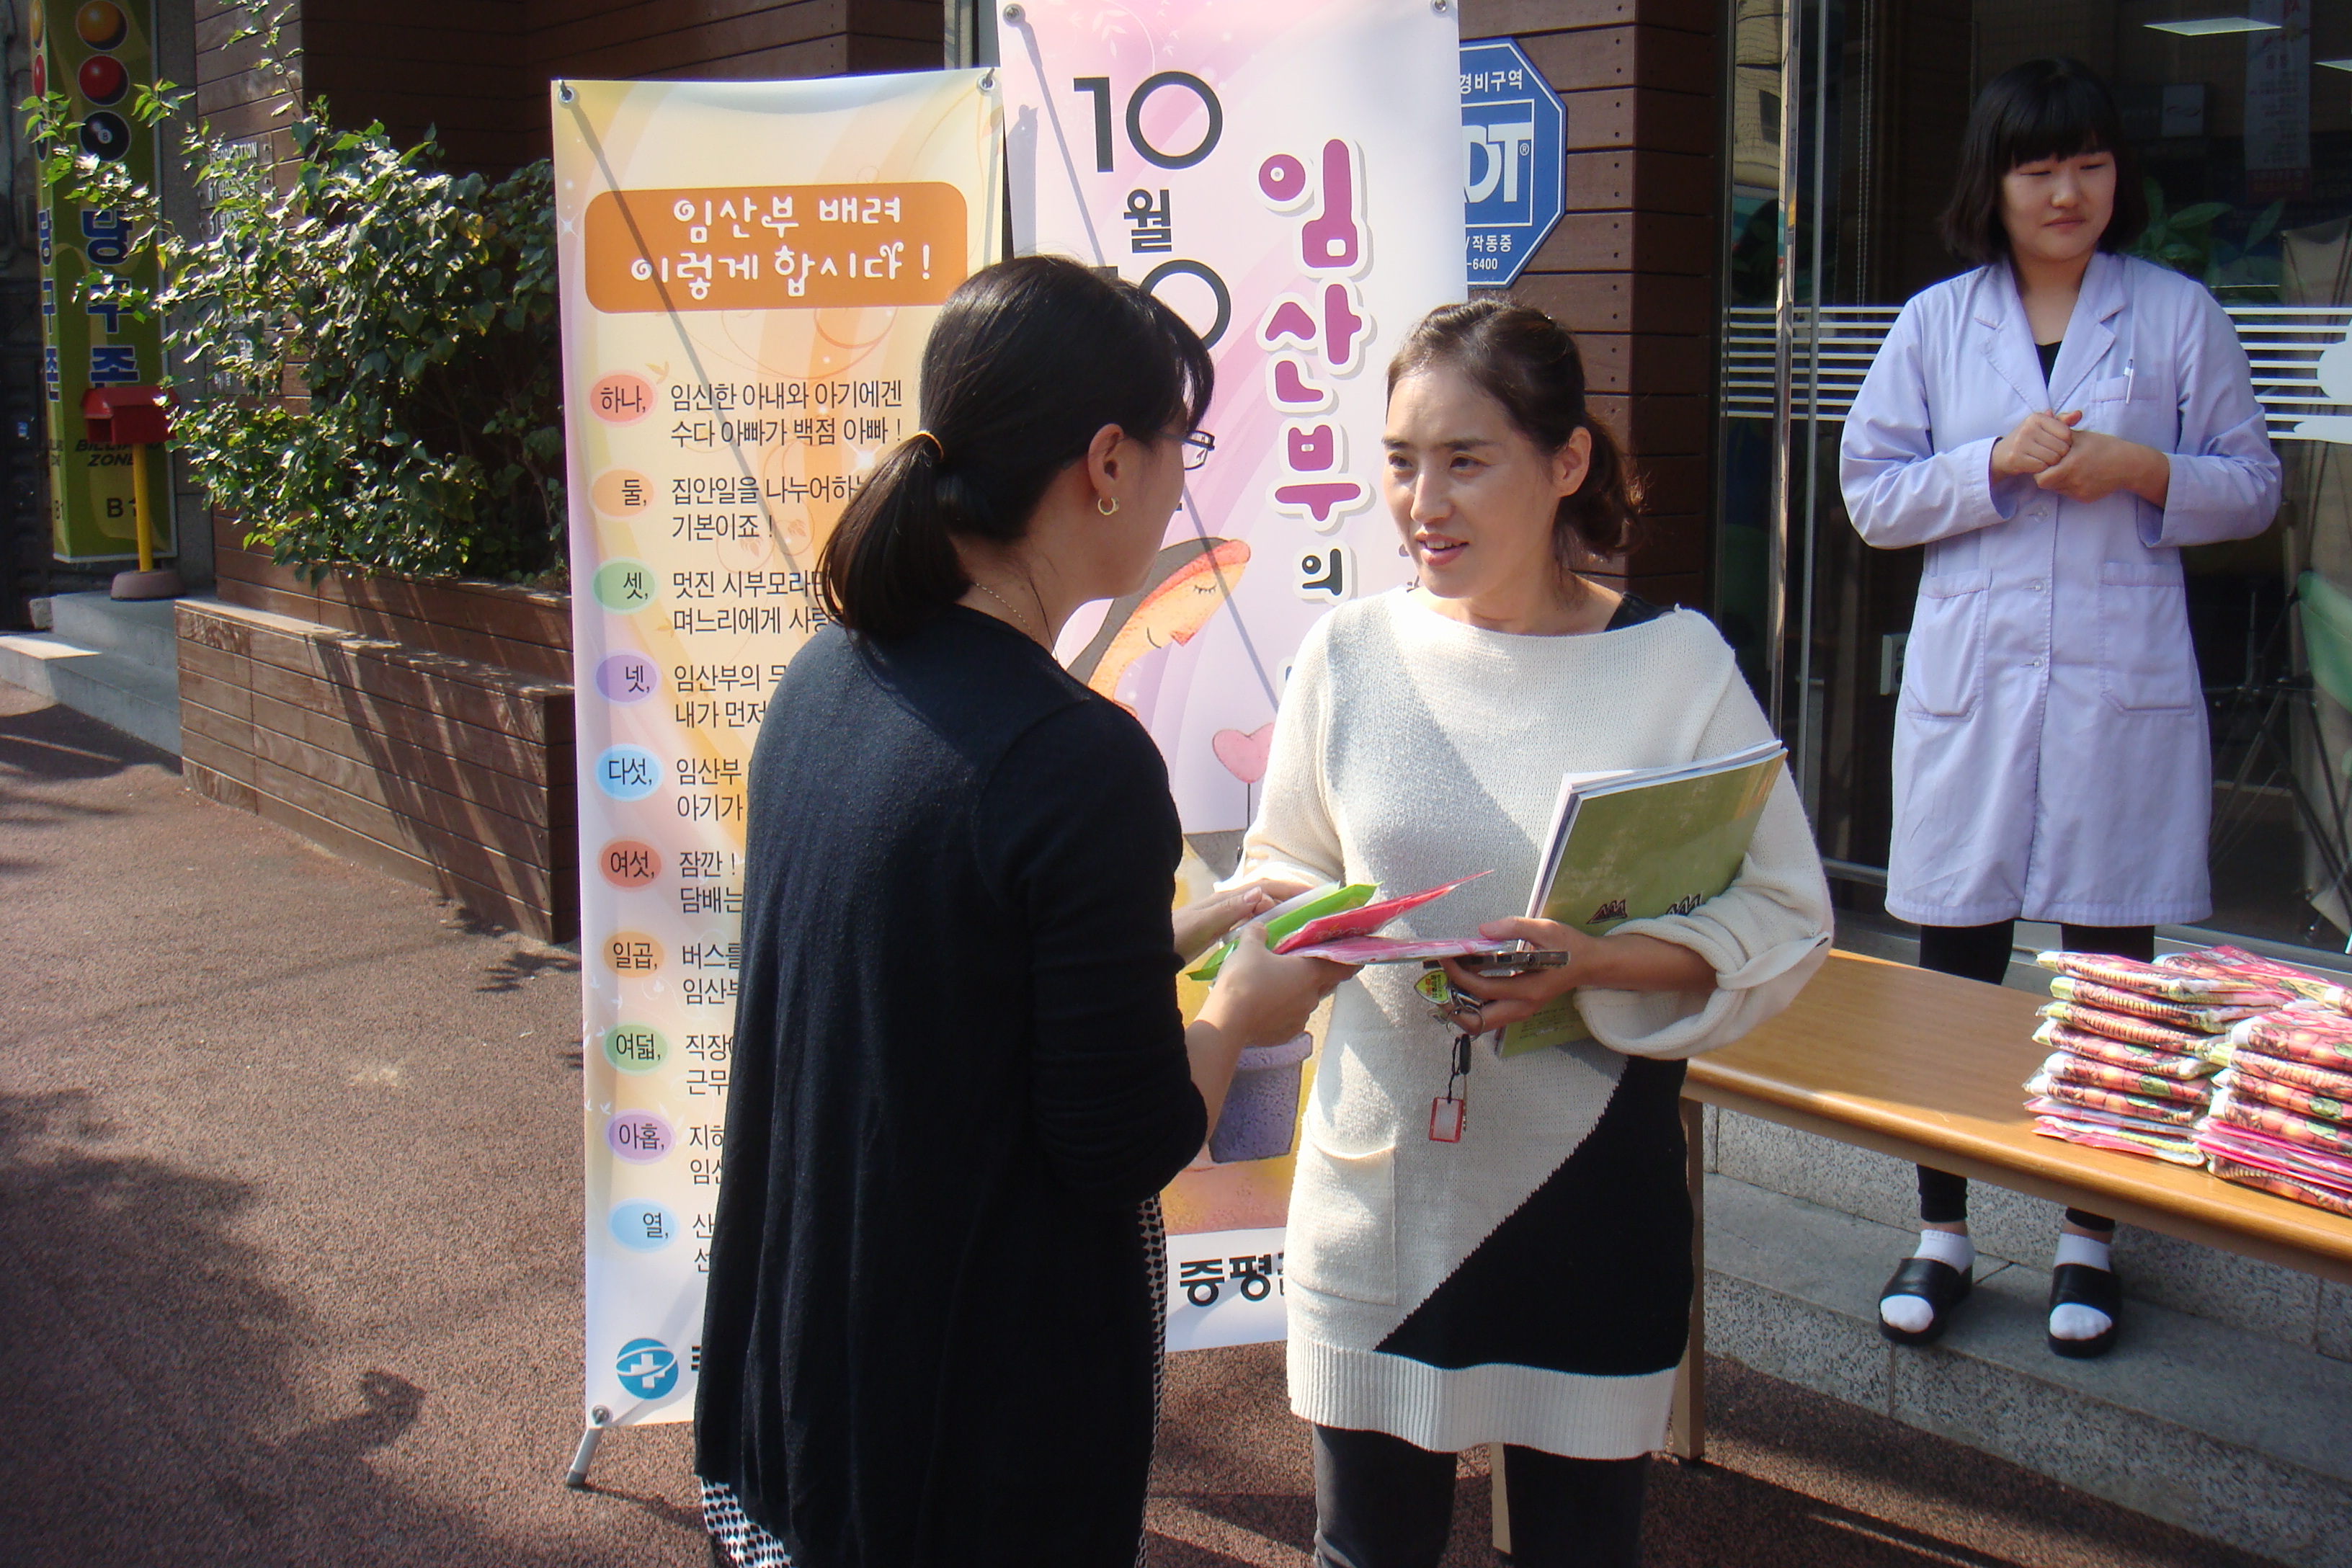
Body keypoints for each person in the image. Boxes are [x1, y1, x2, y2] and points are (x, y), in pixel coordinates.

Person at [692, 255, 1350, 1568]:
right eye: (1179, 447)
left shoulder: (831, 675)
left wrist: (1171, 934)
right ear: (1106, 462)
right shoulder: (1075, 761)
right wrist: (1241, 1007)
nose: (1178, 483)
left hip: (800, 1380)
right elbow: (1121, 1139)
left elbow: (937, 976)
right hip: (963, 1429)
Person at [1232, 300, 1833, 1568]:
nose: (1422, 503)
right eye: (1401, 460)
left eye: (1466, 460)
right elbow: (1283, 869)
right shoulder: (1347, 652)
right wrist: (1306, 940)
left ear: (1566, 463)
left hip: (1593, 1198)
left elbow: (1786, 910)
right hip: (1382, 1196)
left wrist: (1596, 962)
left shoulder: (1676, 665)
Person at [1840, 57, 2280, 1360]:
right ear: (1995, 181)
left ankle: (2091, 1233)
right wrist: (1990, 463)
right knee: (1958, 960)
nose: (2066, 190)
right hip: (1976, 684)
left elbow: (2253, 485)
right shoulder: (1937, 321)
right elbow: (1872, 495)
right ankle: (1944, 1228)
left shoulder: (2178, 313)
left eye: (2089, 163)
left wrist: (2143, 468)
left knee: (2110, 971)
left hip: (2113, 685)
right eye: (2038, 167)